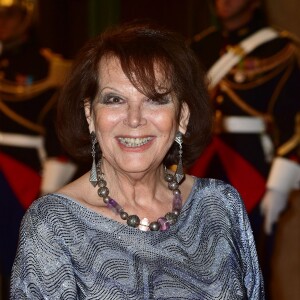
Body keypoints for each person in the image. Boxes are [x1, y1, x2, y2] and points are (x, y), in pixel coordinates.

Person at [10, 21, 265, 299]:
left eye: (155, 99)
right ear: (89, 116)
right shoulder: (53, 225)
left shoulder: (221, 206)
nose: (134, 119)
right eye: (115, 100)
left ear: (182, 117)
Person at [188, 0, 300, 296]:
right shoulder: (200, 47)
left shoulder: (281, 50)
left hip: (251, 172)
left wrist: (278, 187)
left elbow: (294, 124)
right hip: (198, 166)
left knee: (249, 268)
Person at [0, 1, 76, 297]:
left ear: (26, 17)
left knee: (22, 270)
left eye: (9, 15)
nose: (2, 22)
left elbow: (61, 144)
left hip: (24, 182)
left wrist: (46, 199)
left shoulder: (51, 69)